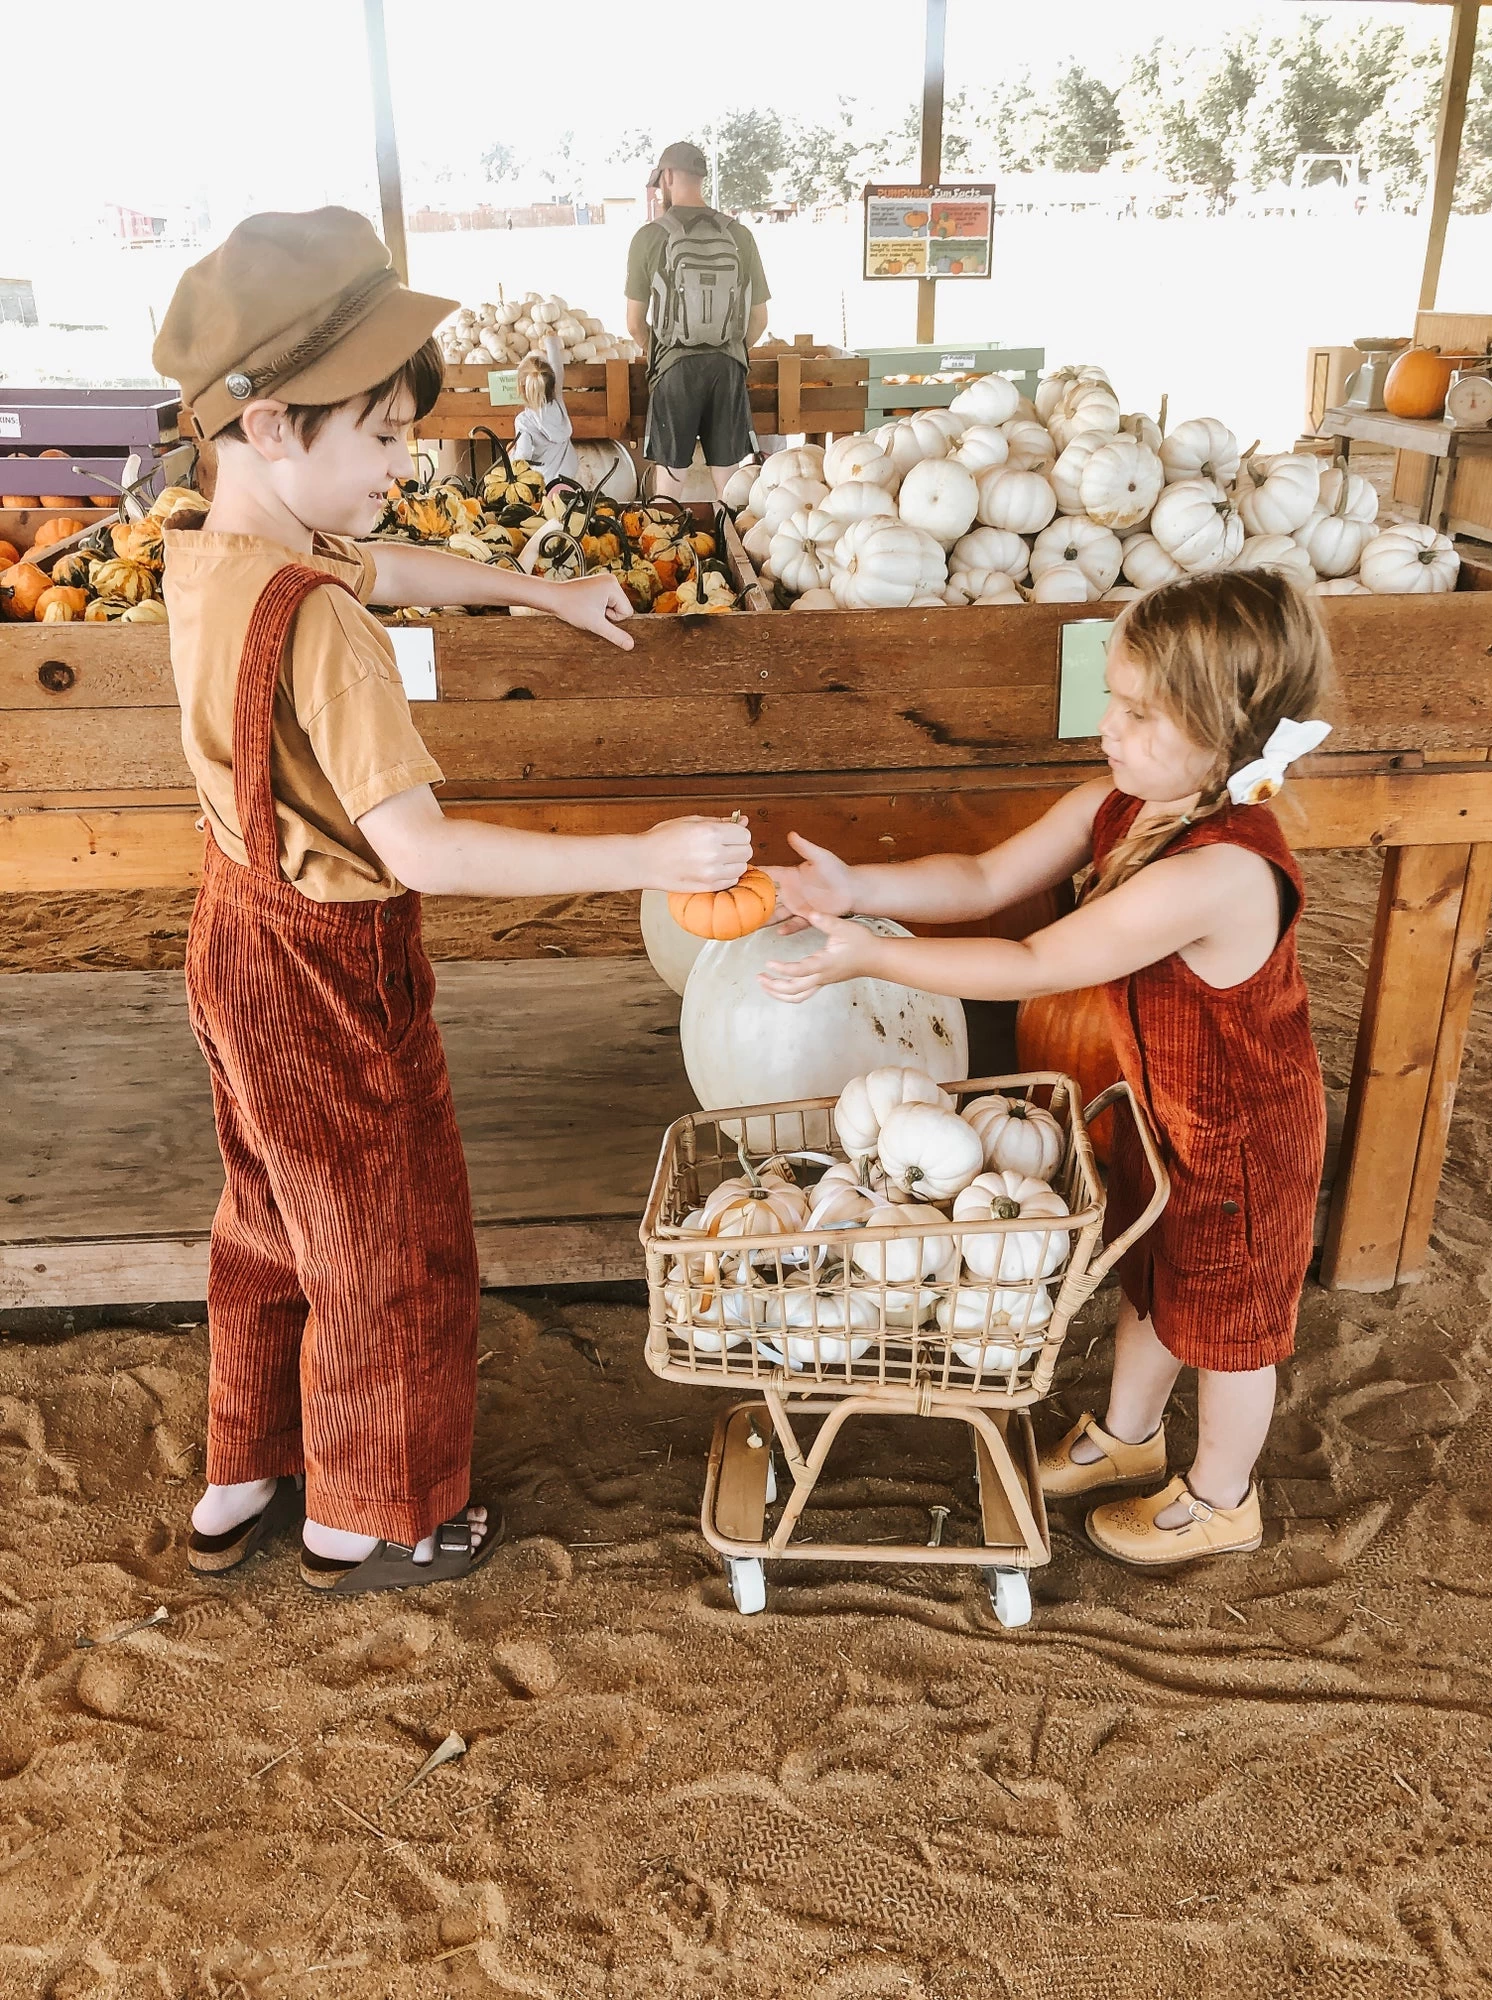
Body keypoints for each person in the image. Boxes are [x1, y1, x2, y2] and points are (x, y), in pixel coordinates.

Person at [152, 207, 751, 1595]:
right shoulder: (325, 630)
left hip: (233, 932)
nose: (406, 463)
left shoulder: (216, 552)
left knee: (268, 1220)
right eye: (380, 436)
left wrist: (536, 594)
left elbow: (396, 563)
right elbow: (424, 851)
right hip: (329, 965)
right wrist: (646, 858)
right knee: (393, 1240)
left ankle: (245, 1467)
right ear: (274, 427)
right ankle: (375, 1514)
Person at [759, 569, 1330, 1570]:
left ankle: (1220, 1493)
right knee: (1151, 1277)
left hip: (1241, 1133)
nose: (1107, 725)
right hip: (1156, 1108)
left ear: (1224, 726)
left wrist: (871, 951)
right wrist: (861, 885)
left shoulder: (1221, 867)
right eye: (1112, 695)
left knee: (1229, 1321)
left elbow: (1032, 959)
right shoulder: (1122, 802)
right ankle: (1130, 1435)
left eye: (1139, 711)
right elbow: (984, 879)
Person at [624, 141, 771, 498]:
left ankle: (665, 541)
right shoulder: (739, 235)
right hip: (728, 367)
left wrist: (661, 353)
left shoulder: (649, 237)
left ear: (669, 176)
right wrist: (728, 348)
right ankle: (732, 544)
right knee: (728, 476)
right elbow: (760, 318)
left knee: (672, 477)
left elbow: (634, 322)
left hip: (674, 368)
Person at [513, 329, 577, 486]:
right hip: (570, 475)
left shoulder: (524, 421)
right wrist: (552, 342)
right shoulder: (557, 403)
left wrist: (511, 456)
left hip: (545, 482)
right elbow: (558, 372)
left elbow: (523, 457)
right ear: (552, 383)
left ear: (521, 389)